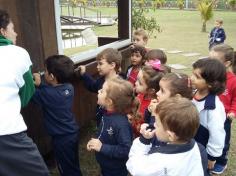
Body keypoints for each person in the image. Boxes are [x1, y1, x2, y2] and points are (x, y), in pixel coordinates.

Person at [0, 9, 49, 175]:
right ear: (3, 31)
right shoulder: (17, 53)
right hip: (7, 134)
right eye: (13, 29)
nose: (16, 33)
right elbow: (26, 95)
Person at [126, 97, 206, 176]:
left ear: (170, 136)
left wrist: (143, 141)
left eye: (157, 124)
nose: (154, 125)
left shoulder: (160, 160)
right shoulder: (197, 148)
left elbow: (135, 167)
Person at [32, 55, 82, 176]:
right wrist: (40, 85)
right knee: (73, 163)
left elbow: (32, 94)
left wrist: (34, 83)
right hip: (72, 134)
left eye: (46, 71)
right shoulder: (69, 88)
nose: (44, 74)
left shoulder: (48, 94)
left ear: (52, 76)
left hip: (61, 139)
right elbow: (51, 92)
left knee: (65, 168)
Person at [87, 78, 137, 176]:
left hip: (115, 169)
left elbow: (125, 150)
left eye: (101, 91)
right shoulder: (106, 112)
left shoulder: (121, 124)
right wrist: (95, 143)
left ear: (109, 102)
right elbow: (104, 133)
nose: (98, 91)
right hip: (106, 164)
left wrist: (102, 147)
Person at [191, 58, 226, 171]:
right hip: (191, 142)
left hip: (203, 149)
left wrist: (211, 156)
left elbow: (217, 134)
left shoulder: (213, 108)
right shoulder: (194, 93)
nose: (192, 78)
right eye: (192, 74)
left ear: (211, 84)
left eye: (197, 77)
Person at [209, 44, 236, 174]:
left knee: (222, 140)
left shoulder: (233, 81)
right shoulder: (211, 76)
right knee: (210, 136)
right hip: (209, 114)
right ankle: (210, 157)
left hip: (224, 117)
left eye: (214, 61)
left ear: (226, 63)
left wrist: (232, 111)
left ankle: (221, 161)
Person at [78, 48, 122, 126]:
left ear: (112, 65)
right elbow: (93, 86)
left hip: (114, 123)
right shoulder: (101, 80)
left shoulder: (121, 84)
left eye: (100, 64)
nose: (97, 67)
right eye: (97, 64)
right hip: (101, 119)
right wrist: (84, 74)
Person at [130, 62, 164, 137]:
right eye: (137, 79)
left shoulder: (153, 106)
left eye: (140, 83)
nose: (136, 83)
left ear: (151, 91)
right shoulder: (141, 94)